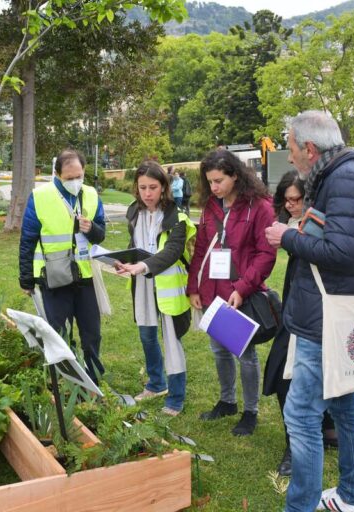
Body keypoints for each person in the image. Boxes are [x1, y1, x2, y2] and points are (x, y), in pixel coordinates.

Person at [265, 111, 354, 512]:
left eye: (292, 148)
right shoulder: (338, 177)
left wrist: (287, 237)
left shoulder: (344, 181)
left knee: (300, 416)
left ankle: (301, 507)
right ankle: (352, 497)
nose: (290, 156)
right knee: (345, 407)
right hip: (333, 314)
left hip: (326, 320)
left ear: (310, 149)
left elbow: (342, 252)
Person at [187, 149, 277, 436]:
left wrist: (242, 288)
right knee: (218, 350)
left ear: (235, 175)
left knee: (244, 354)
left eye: (218, 181)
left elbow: (266, 254)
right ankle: (227, 401)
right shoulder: (211, 206)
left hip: (240, 293)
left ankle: (250, 411)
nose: (213, 188)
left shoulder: (259, 207)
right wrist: (194, 287)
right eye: (209, 182)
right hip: (213, 291)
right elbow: (201, 248)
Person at [262, 171, 337, 477]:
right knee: (286, 376)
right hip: (295, 312)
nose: (291, 205)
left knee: (301, 379)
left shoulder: (319, 227)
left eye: (298, 199)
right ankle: (321, 432)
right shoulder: (293, 224)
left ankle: (301, 443)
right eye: (287, 200)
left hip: (315, 316)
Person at [19, 148, 107, 383]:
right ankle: (66, 379)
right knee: (59, 333)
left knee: (92, 333)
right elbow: (27, 240)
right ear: (57, 175)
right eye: (69, 178)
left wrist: (92, 230)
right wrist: (26, 279)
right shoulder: (40, 197)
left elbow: (101, 235)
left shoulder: (91, 195)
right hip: (54, 277)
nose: (75, 182)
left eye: (79, 176)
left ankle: (93, 379)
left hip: (85, 277)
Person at [116, 161, 196, 416]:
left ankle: (176, 397)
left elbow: (172, 252)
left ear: (164, 188)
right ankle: (156, 384)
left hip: (168, 286)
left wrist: (142, 266)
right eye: (142, 188)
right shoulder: (134, 213)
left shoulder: (178, 217)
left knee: (171, 341)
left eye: (153, 187)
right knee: (147, 335)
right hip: (142, 284)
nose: (147, 193)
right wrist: (124, 261)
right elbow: (135, 244)